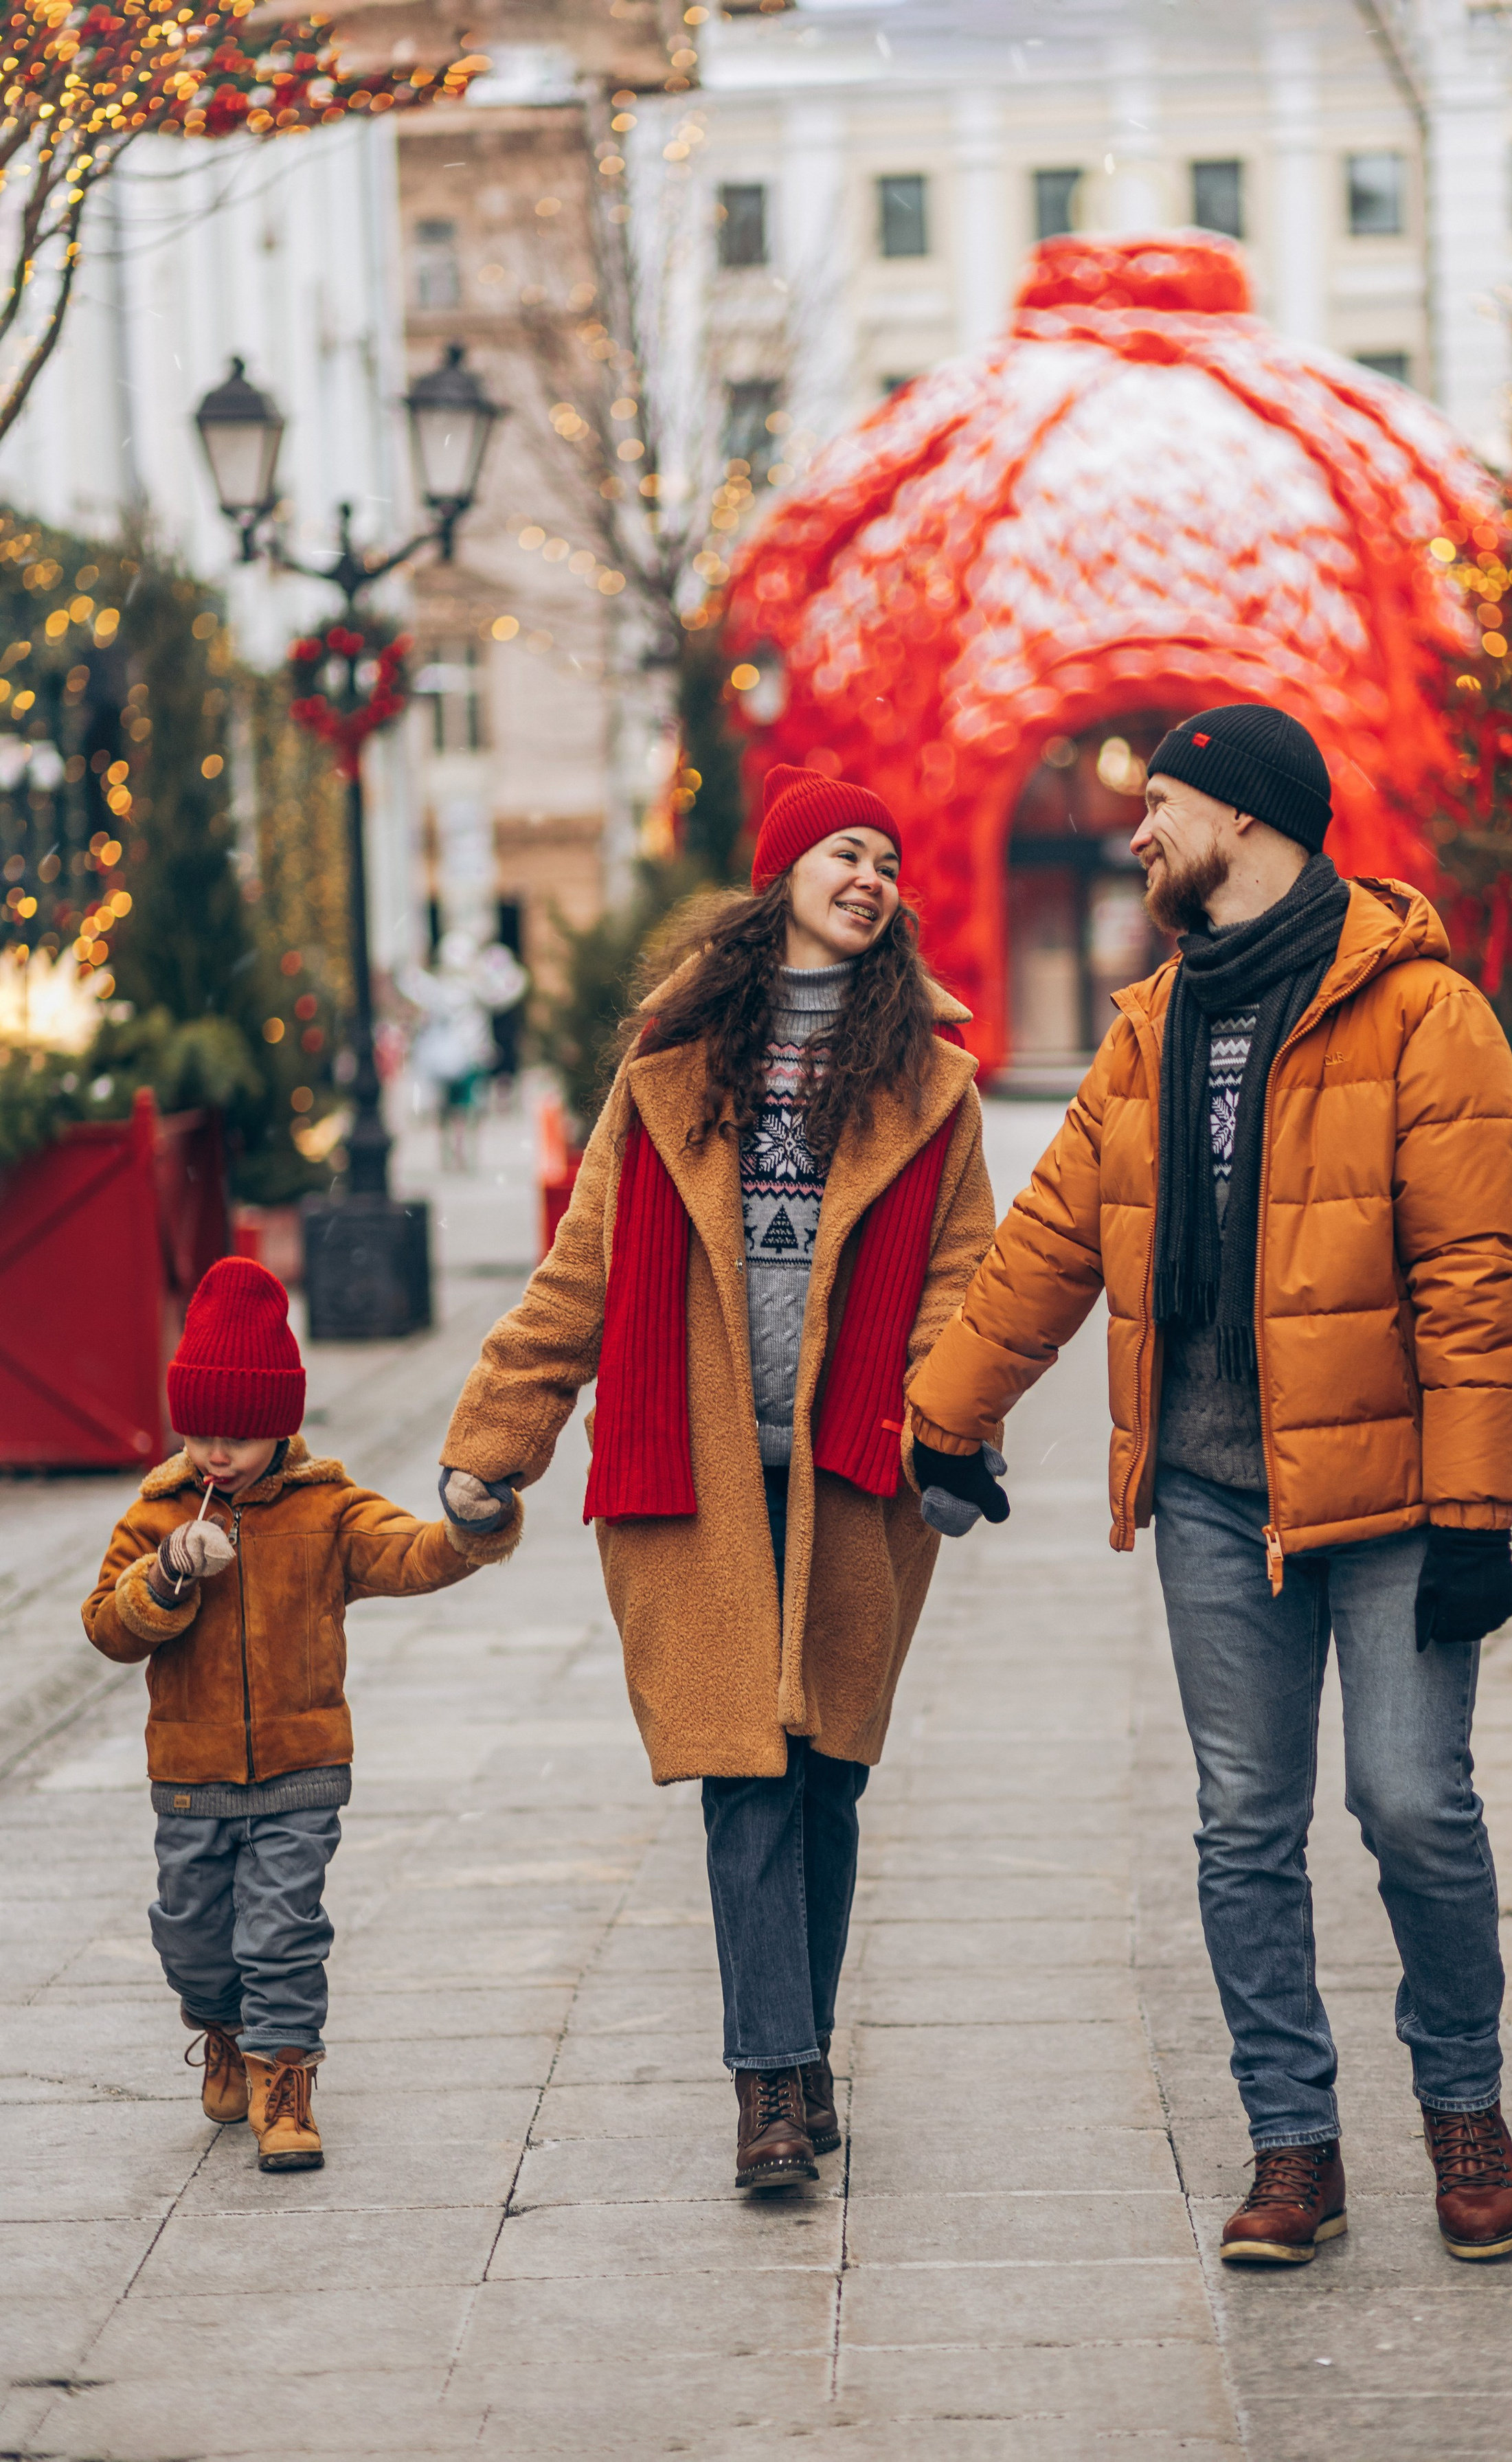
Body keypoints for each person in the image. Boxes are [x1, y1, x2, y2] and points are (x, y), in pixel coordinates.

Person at [907, 704, 1512, 2266]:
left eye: (1165, 804)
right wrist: (946, 1412)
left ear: (1248, 820)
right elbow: (1052, 1239)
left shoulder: (1421, 1015)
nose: (1136, 830)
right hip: (1207, 1494)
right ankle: (1291, 2146)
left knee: (1411, 1804)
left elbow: (1471, 1283)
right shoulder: (1149, 1029)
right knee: (1241, 1824)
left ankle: (1462, 2105)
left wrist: (1475, 1516)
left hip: (1391, 1497)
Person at [438, 765, 996, 2192]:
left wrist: (952, 1424)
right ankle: (769, 2089)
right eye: (839, 852)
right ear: (781, 880)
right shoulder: (669, 1071)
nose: (866, 876)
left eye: (883, 859)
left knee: (826, 1783)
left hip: (849, 1477)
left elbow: (956, 1276)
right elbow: (579, 1275)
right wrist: (494, 1439)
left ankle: (797, 2053)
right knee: (744, 1777)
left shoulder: (928, 1082)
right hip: (694, 1471)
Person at [81, 1258, 519, 2171]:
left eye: (236, 1436)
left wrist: (474, 1527)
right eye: (199, 1433)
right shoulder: (160, 1510)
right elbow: (106, 1625)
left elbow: (411, 1554)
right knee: (192, 1935)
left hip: (300, 1767)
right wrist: (165, 1578)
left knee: (283, 1932)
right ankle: (222, 2026)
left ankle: (286, 2080)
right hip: (191, 1776)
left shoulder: (326, 1507)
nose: (215, 1455)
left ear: (281, 1424)